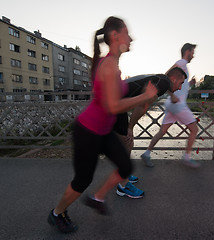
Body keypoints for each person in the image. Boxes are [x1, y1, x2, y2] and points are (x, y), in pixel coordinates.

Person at [47, 16, 158, 233]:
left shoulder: (113, 64)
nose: (131, 38)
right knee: (82, 181)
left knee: (126, 166)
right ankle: (56, 213)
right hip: (88, 131)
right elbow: (112, 106)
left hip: (103, 131)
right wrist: (144, 96)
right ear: (116, 36)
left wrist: (141, 98)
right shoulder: (107, 65)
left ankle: (97, 198)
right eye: (127, 33)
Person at [141, 43, 200, 168]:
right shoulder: (181, 63)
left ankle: (146, 153)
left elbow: (181, 87)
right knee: (194, 130)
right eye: (193, 52)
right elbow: (165, 77)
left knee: (162, 131)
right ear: (187, 51)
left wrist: (189, 84)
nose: (194, 55)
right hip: (178, 104)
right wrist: (171, 94)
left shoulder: (182, 66)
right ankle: (187, 158)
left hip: (172, 103)